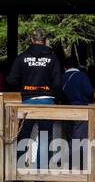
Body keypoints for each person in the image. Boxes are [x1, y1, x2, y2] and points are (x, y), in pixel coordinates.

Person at [6, 28, 62, 169]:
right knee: (44, 136)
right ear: (45, 40)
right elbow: (57, 83)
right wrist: (57, 96)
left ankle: (17, 168)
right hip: (47, 100)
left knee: (23, 134)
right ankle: (42, 170)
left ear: (31, 40)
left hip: (27, 101)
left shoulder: (22, 58)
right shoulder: (53, 59)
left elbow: (11, 80)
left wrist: (24, 85)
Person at [62, 55, 94, 149]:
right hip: (82, 109)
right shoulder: (82, 76)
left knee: (68, 134)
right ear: (77, 66)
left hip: (64, 109)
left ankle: (69, 157)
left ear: (65, 67)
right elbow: (89, 91)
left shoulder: (61, 77)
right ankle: (76, 159)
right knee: (79, 135)